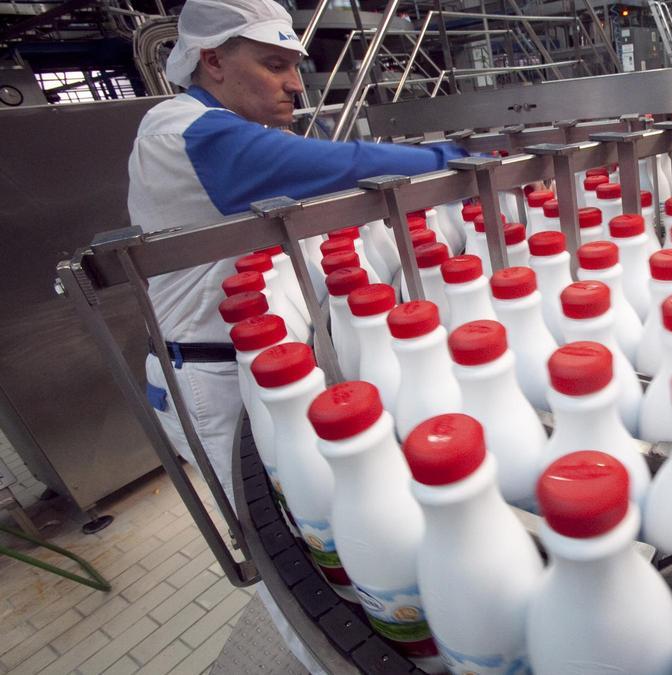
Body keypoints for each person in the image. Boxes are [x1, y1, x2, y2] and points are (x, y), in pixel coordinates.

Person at [126, 1, 465, 671]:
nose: (295, 84)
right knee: (281, 554)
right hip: (215, 378)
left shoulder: (222, 129)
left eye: (296, 66)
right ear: (212, 61)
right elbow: (326, 164)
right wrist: (441, 159)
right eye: (274, 64)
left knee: (309, 528)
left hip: (265, 365)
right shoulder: (182, 130)